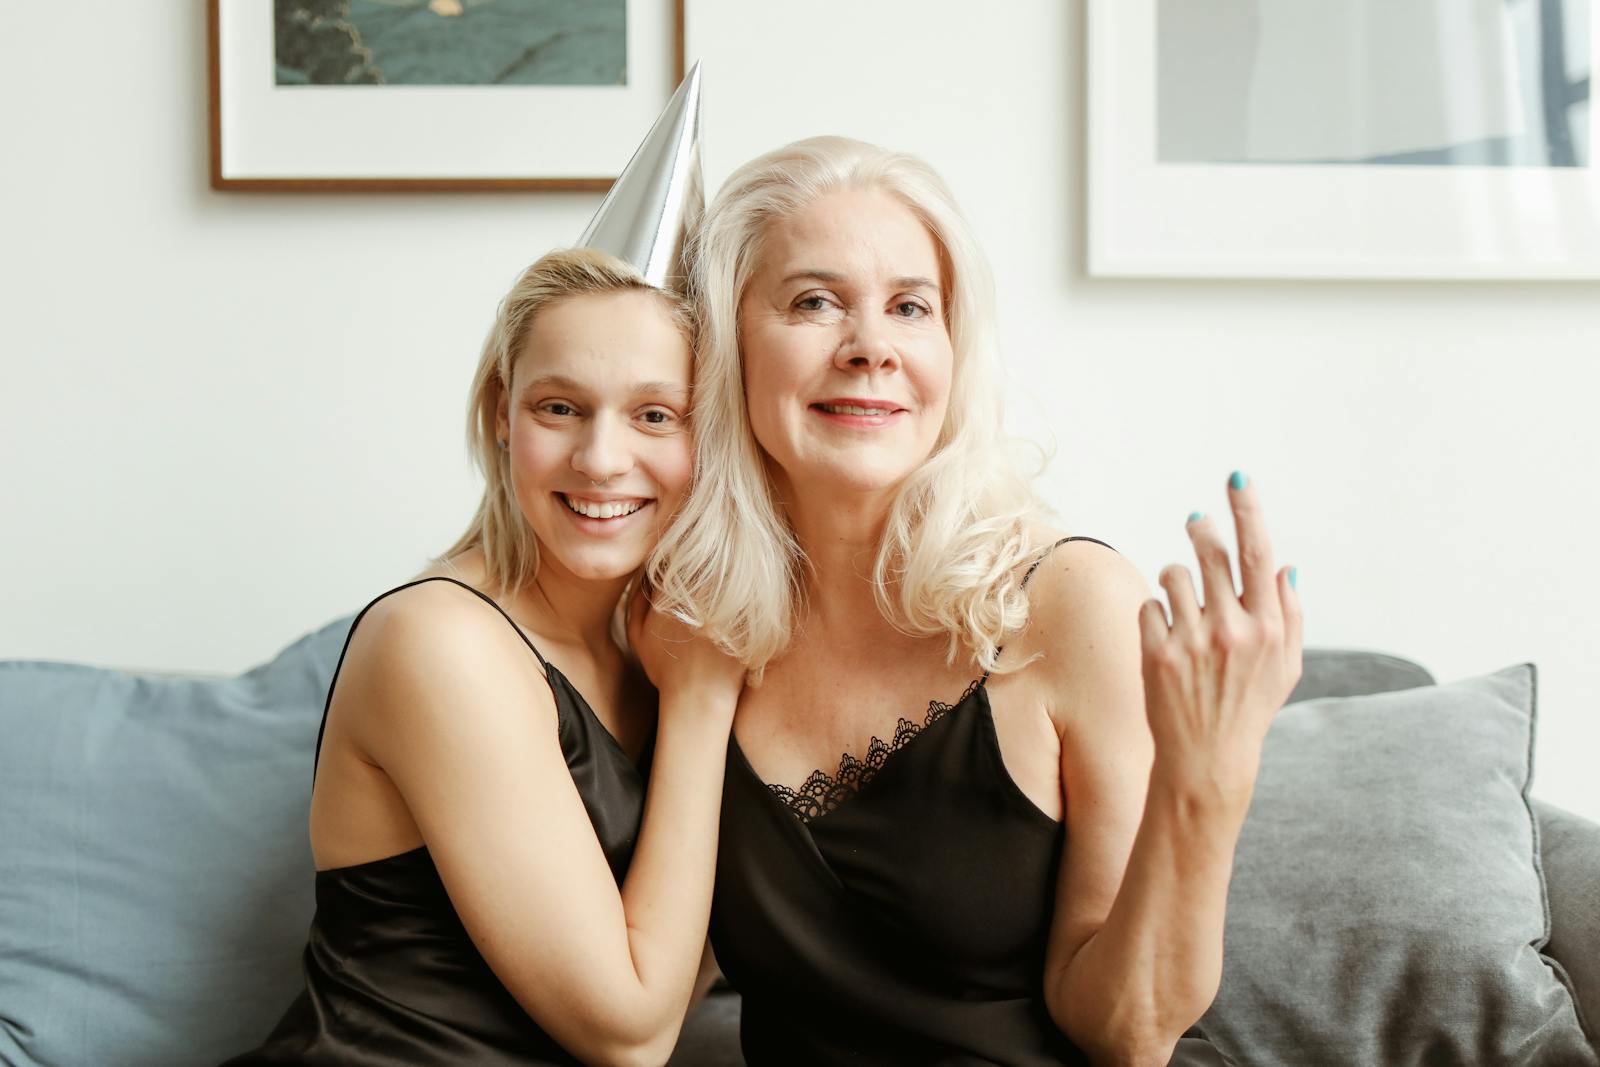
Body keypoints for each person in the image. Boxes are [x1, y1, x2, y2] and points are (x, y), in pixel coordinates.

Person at [647, 136, 1304, 1066]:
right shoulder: (684, 627)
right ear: (725, 342)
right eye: (814, 301)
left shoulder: (1071, 605)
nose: (870, 347)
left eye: (911, 307)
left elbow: (1126, 1029)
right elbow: (642, 995)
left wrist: (1211, 774)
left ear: (954, 350)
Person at [225, 71, 744, 1067]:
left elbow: (702, 961)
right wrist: (707, 699)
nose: (600, 459)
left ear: (712, 440)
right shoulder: (441, 643)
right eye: (559, 407)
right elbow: (630, 1028)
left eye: (654, 413)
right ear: (499, 417)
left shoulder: (663, 640)